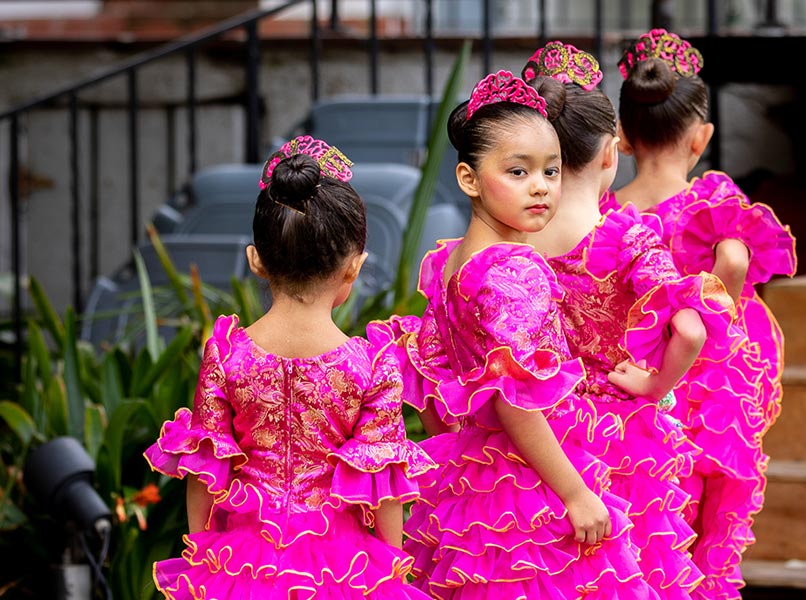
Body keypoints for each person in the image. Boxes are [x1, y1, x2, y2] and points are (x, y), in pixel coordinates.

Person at [373, 70, 657, 599]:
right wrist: (573, 491)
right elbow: (513, 399)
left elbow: (437, 387)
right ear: (468, 178)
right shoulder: (511, 271)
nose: (541, 186)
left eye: (550, 170)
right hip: (533, 483)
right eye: (518, 171)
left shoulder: (452, 261)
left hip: (472, 479)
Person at [143, 136, 435, 600]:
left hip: (241, 563)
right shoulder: (373, 365)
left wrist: (202, 554)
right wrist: (389, 572)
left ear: (256, 260)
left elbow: (205, 468)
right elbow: (385, 488)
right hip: (344, 565)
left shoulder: (226, 353)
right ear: (353, 268)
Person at [521, 41, 741, 599]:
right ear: (609, 153)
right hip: (624, 436)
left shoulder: (512, 242)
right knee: (634, 570)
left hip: (541, 438)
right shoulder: (626, 237)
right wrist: (656, 383)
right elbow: (692, 326)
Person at [609, 29, 797, 599]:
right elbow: (736, 258)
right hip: (699, 403)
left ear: (619, 137)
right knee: (697, 539)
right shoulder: (710, 205)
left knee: (640, 535)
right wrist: (725, 306)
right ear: (702, 137)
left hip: (627, 401)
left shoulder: (603, 215)